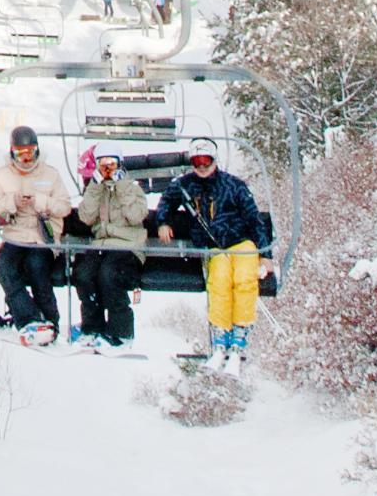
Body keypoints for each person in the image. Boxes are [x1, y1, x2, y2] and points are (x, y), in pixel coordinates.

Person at [149, 139, 275, 351]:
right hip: (214, 246)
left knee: (244, 279)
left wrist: (265, 254)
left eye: (206, 161)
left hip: (241, 242)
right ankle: (221, 330)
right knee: (219, 281)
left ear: (214, 161)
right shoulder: (185, 185)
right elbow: (166, 202)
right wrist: (163, 222)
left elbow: (254, 219)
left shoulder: (233, 185)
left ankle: (241, 329)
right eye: (197, 161)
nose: (201, 166)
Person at [0, 124, 73, 341]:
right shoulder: (2, 176)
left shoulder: (50, 174)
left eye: (30, 153)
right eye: (21, 155)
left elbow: (64, 206)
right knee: (4, 267)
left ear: (37, 151)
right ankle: (29, 318)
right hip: (15, 235)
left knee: (37, 266)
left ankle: (50, 320)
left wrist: (41, 202)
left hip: (42, 237)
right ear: (12, 153)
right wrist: (11, 202)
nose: (26, 160)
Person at [71, 150, 151, 348]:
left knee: (109, 274)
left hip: (128, 246)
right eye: (103, 165)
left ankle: (121, 332)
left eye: (112, 164)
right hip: (101, 246)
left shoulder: (132, 189)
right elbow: (86, 217)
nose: (107, 169)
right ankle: (92, 327)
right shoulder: (95, 190)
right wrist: (95, 187)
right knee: (83, 274)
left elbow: (136, 216)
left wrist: (121, 186)